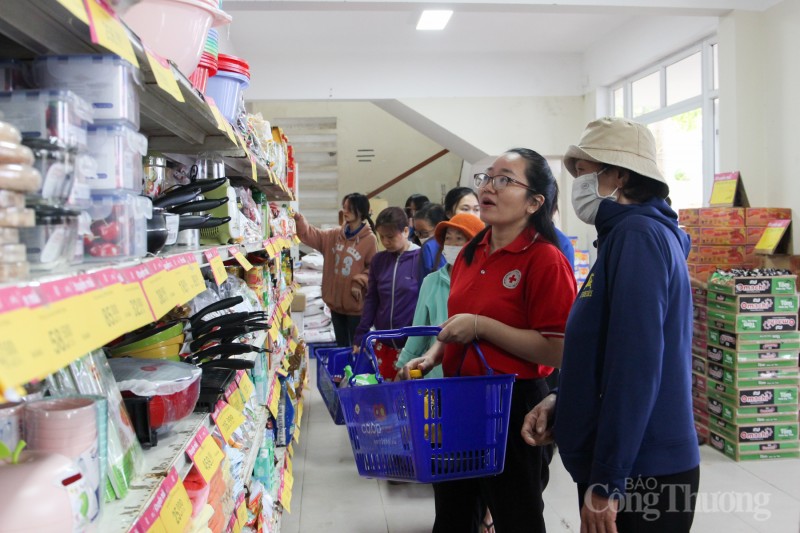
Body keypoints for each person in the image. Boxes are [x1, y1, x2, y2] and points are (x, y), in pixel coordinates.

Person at [521, 117, 700, 533]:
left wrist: (607, 483)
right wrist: (562, 402)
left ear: (618, 175)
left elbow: (635, 368)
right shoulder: (624, 236)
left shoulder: (637, 237)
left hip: (643, 471)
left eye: (584, 173)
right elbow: (602, 350)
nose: (577, 184)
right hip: (630, 463)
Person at [399, 148, 577, 533]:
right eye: (486, 178)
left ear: (535, 201)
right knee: (453, 515)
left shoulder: (545, 260)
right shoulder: (470, 251)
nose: (488, 188)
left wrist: (483, 327)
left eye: (504, 179)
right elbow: (456, 321)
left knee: (516, 515)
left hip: (513, 404)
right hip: (459, 398)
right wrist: (433, 355)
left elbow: (558, 348)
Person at [395, 212, 485, 379]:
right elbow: (419, 330)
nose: (451, 244)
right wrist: (403, 365)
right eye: (448, 238)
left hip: (474, 373)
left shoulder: (484, 282)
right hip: (435, 374)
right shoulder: (431, 282)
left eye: (459, 239)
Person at [293, 193, 378, 347]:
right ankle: (344, 371)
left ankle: (358, 371)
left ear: (360, 211)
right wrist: (300, 222)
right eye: (344, 207)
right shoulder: (334, 235)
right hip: (335, 303)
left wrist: (359, 282)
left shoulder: (369, 240)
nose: (345, 211)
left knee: (357, 347)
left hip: (355, 307)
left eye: (349, 208)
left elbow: (373, 268)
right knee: (342, 345)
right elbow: (313, 235)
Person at [353, 206, 423, 380]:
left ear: (406, 231)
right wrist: (360, 335)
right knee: (384, 398)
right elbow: (372, 300)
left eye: (390, 237)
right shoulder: (379, 260)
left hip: (412, 346)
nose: (385, 241)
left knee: (410, 398)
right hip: (383, 344)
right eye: (381, 237)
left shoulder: (421, 259)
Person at [413, 202, 448, 278]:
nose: (420, 237)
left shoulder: (428, 247)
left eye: (424, 233)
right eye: (417, 233)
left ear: (439, 227)